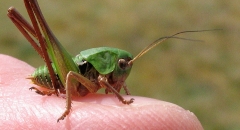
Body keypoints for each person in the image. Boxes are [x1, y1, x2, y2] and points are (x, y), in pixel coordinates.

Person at [0, 54, 203, 129]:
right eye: (122, 65)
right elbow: (71, 76)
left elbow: (108, 82)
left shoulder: (106, 75)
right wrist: (122, 102)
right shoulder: (98, 74)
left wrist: (122, 89)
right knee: (71, 75)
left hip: (67, 72)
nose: (123, 71)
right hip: (58, 75)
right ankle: (58, 94)